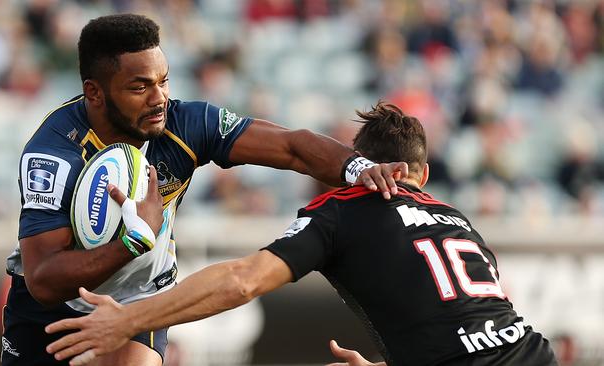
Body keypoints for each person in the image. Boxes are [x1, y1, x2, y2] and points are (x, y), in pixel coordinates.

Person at [1, 14, 407, 366]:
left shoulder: (186, 124)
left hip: (139, 298)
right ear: (95, 92)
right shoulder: (53, 155)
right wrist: (132, 241)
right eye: (139, 87)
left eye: (163, 81)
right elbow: (42, 278)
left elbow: (291, 145)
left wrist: (360, 168)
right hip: (51, 309)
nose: (159, 98)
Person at [44, 102, 557, 366]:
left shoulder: (342, 209)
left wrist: (126, 320)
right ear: (418, 175)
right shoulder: (457, 218)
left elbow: (243, 280)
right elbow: (472, 330)